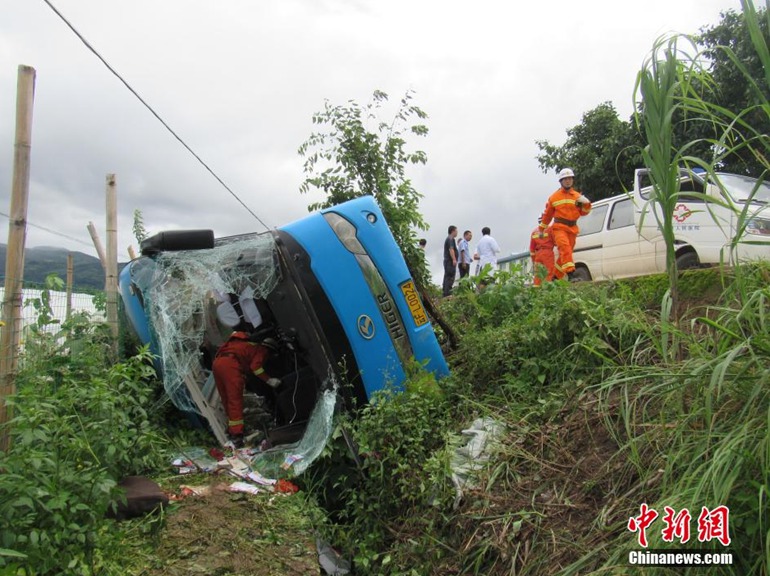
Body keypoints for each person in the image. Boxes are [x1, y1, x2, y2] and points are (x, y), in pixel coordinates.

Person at [212, 330, 282, 447]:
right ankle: (237, 435)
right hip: (231, 366)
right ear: (271, 350)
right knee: (235, 400)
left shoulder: (239, 344)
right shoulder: (261, 350)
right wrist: (269, 380)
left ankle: (232, 430)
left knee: (226, 399)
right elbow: (256, 368)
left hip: (218, 363)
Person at [539, 168, 591, 281]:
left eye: (570, 178)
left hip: (572, 228)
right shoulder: (554, 197)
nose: (568, 181)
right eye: (565, 179)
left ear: (572, 180)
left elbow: (583, 213)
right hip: (559, 228)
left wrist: (587, 204)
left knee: (566, 254)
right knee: (565, 248)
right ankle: (571, 274)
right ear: (561, 181)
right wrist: (541, 229)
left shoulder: (577, 197)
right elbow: (547, 215)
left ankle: (556, 277)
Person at [530, 218, 556, 286]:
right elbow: (555, 242)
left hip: (538, 255)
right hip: (547, 253)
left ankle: (537, 290)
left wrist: (534, 260)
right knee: (549, 272)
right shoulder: (550, 229)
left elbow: (532, 248)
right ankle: (548, 289)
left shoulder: (534, 232)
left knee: (538, 274)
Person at [442, 225, 459, 297]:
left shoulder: (450, 239)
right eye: (456, 231)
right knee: (450, 276)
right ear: (453, 231)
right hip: (449, 261)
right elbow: (451, 249)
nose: (457, 233)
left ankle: (446, 292)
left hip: (447, 261)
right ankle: (447, 293)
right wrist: (454, 259)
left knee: (447, 276)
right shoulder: (450, 239)